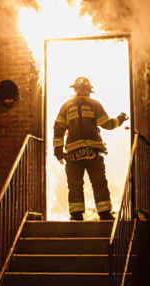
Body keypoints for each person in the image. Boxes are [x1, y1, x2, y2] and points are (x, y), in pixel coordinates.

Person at [53, 76, 128, 221]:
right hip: (92, 152)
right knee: (98, 181)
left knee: (75, 184)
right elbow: (107, 124)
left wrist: (58, 149)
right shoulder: (94, 105)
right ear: (89, 90)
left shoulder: (66, 106)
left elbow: (58, 128)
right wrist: (120, 119)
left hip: (73, 154)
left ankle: (76, 214)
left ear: (74, 89)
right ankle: (104, 213)